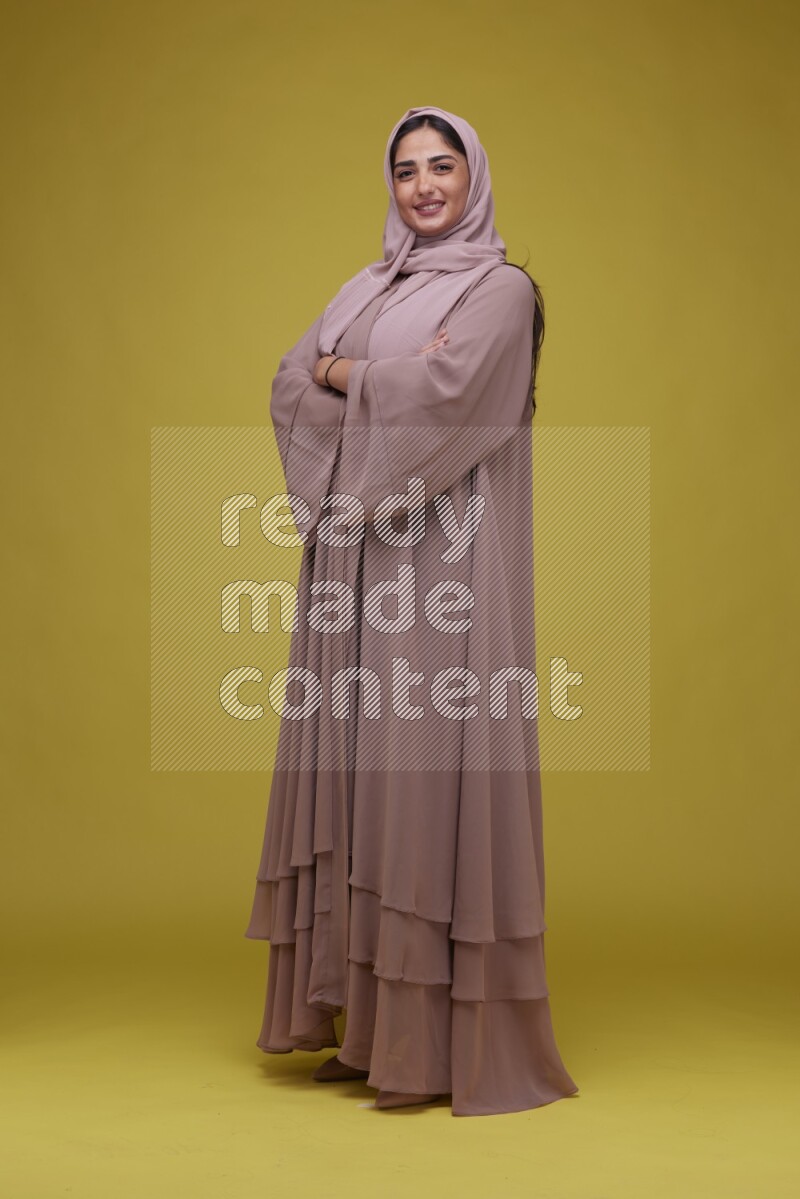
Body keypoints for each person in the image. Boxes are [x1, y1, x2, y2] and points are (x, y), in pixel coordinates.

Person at [244, 104, 580, 1117]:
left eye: (442, 166)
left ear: (473, 176)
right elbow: (285, 383)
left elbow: (449, 398)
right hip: (351, 559)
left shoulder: (500, 289)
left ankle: (435, 1046)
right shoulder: (367, 284)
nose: (423, 185)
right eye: (404, 170)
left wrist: (351, 374)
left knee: (425, 770)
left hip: (445, 566)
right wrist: (370, 377)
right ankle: (364, 1025)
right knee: (361, 768)